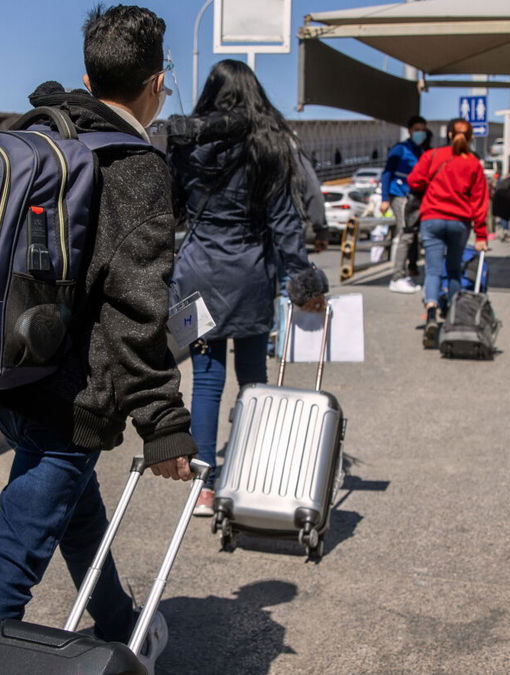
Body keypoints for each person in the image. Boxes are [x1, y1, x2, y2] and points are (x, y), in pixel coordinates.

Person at [0, 6, 192, 668]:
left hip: (7, 380)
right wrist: (163, 424)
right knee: (12, 562)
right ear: (158, 82)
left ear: (86, 74)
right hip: (71, 400)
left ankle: (123, 624)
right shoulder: (136, 167)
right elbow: (135, 312)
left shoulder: (35, 135)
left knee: (74, 510)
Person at [168, 59, 328, 517]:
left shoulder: (188, 144)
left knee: (206, 381)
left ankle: (203, 486)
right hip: (251, 274)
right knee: (253, 375)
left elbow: (173, 211)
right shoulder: (269, 145)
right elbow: (285, 225)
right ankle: (251, 468)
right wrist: (304, 283)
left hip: (195, 274)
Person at [407, 118, 489, 348]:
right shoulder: (473, 163)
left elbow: (414, 180)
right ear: (470, 137)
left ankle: (431, 313)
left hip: (432, 218)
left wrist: (431, 186)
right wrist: (481, 235)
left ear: (449, 135)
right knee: (453, 271)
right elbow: (479, 201)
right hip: (459, 222)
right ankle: (452, 315)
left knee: (433, 271)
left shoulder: (433, 156)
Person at [376, 115, 431, 293]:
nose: (420, 133)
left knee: (413, 235)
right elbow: (387, 173)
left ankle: (408, 270)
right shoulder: (400, 150)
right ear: (409, 131)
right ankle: (397, 276)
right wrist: (385, 198)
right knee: (405, 234)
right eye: (417, 130)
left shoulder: (421, 151)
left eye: (423, 129)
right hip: (400, 195)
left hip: (415, 197)